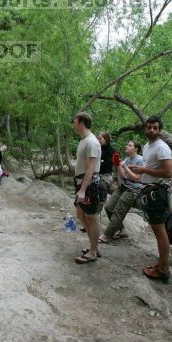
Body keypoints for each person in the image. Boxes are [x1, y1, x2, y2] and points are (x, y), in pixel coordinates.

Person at [129, 116, 172, 282]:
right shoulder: (148, 146)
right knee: (157, 231)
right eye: (149, 127)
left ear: (160, 130)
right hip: (149, 191)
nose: (152, 130)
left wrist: (143, 169)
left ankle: (163, 269)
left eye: (155, 128)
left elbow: (168, 173)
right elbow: (149, 169)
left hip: (157, 192)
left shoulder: (162, 147)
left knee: (160, 232)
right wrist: (140, 171)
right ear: (145, 128)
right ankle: (161, 264)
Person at [98, 140, 144, 243]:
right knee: (108, 207)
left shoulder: (140, 160)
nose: (126, 146)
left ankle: (107, 235)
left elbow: (137, 178)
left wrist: (125, 167)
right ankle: (122, 230)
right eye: (127, 144)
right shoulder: (127, 159)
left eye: (129, 145)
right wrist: (118, 165)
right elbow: (123, 176)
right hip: (123, 186)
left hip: (134, 188)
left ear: (136, 149)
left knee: (118, 211)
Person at [72, 112, 103, 264]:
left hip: (89, 185)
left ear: (81, 122)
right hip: (82, 182)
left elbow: (91, 168)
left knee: (91, 217)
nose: (73, 123)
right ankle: (94, 247)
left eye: (74, 121)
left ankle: (93, 252)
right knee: (80, 213)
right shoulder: (84, 140)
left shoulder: (91, 142)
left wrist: (83, 190)